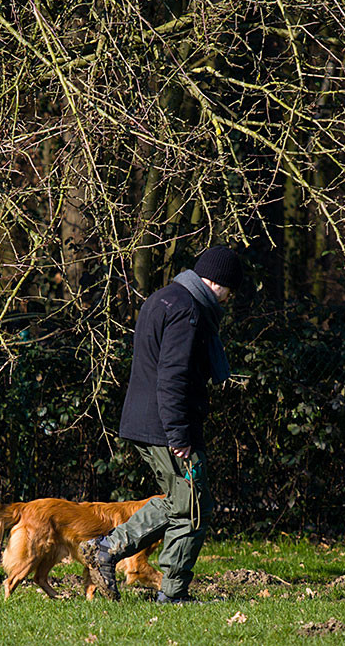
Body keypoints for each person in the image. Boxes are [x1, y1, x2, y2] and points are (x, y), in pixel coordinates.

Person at [80, 245, 243, 603]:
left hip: (146, 420)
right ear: (217, 282)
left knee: (184, 501)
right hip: (167, 424)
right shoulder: (188, 311)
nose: (230, 298)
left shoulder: (164, 298)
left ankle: (112, 551)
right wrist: (179, 434)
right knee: (193, 504)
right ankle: (143, 572)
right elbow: (173, 377)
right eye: (231, 289)